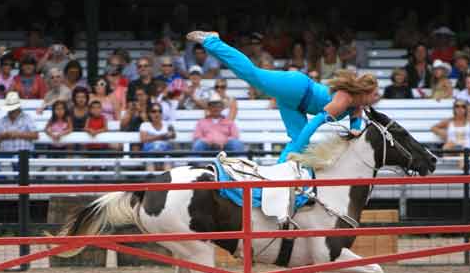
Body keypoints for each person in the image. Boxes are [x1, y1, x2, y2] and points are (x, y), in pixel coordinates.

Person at [186, 31, 377, 162]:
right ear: (365, 93)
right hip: (297, 88)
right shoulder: (344, 100)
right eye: (374, 94)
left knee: (297, 141)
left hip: (296, 105)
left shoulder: (357, 106)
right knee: (252, 74)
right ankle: (212, 41)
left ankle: (279, 174)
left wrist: (355, 129)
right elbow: (313, 124)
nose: (376, 98)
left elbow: (356, 124)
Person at [431, 98, 470, 167]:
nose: (460, 108)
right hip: (452, 149)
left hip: (466, 150)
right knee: (449, 145)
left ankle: (462, 172)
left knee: (463, 152)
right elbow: (433, 128)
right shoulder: (449, 121)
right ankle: (462, 171)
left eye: (463, 106)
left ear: (466, 109)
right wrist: (442, 133)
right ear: (454, 108)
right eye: (457, 106)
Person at [140, 102, 176, 171]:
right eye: (154, 111)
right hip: (149, 153)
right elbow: (143, 139)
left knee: (167, 161)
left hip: (165, 152)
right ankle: (152, 180)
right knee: (149, 161)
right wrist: (162, 136)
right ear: (149, 113)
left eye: (160, 111)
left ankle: (166, 181)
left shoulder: (167, 124)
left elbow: (173, 135)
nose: (157, 114)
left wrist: (151, 137)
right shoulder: (144, 125)